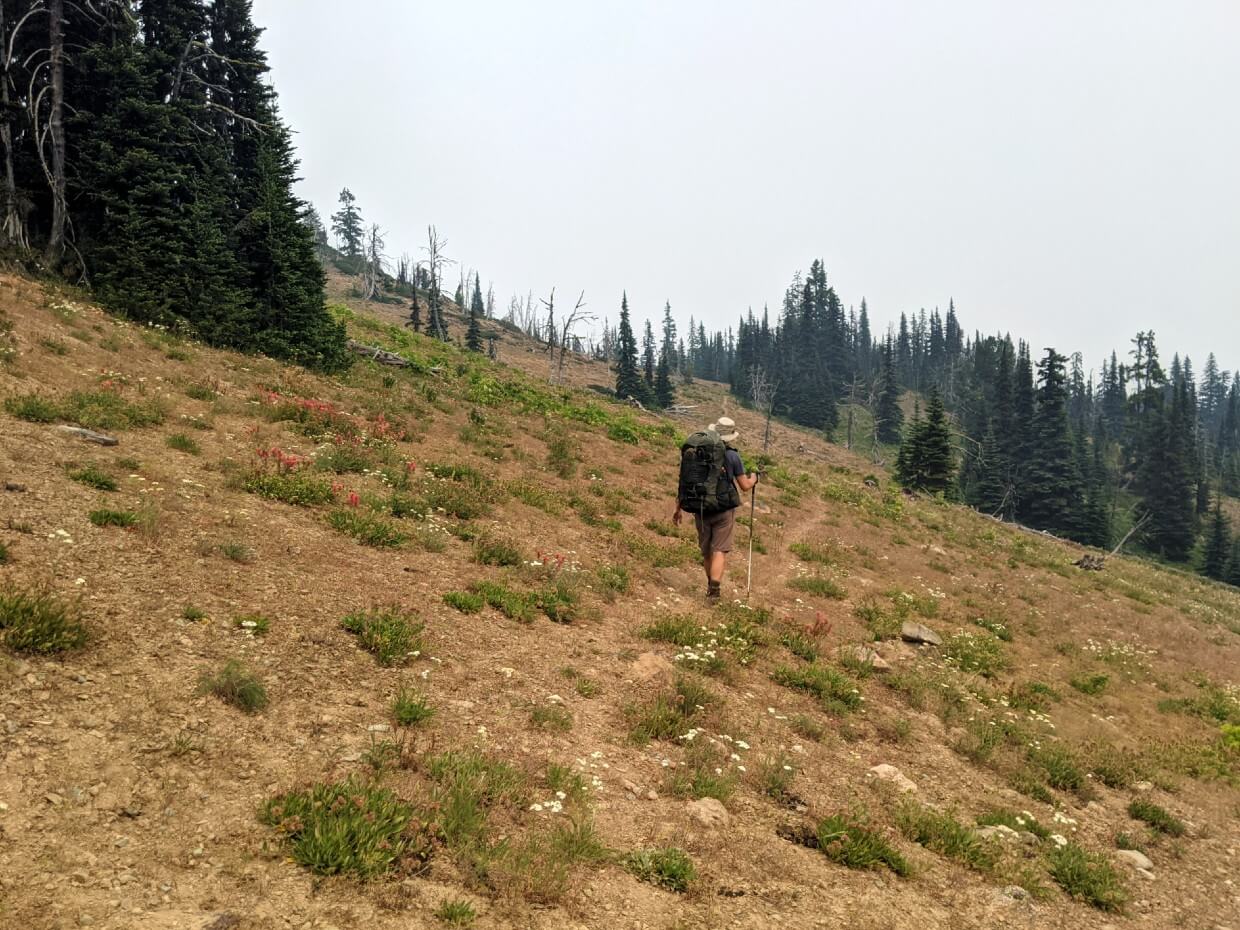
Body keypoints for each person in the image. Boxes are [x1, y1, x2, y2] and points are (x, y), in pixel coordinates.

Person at [673, 416, 758, 599]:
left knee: (707, 550)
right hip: (723, 509)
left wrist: (678, 507)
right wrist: (754, 478)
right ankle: (714, 591)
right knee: (719, 549)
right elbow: (744, 485)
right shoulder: (733, 455)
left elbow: (685, 479)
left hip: (700, 507)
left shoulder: (698, 452)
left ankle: (709, 585)